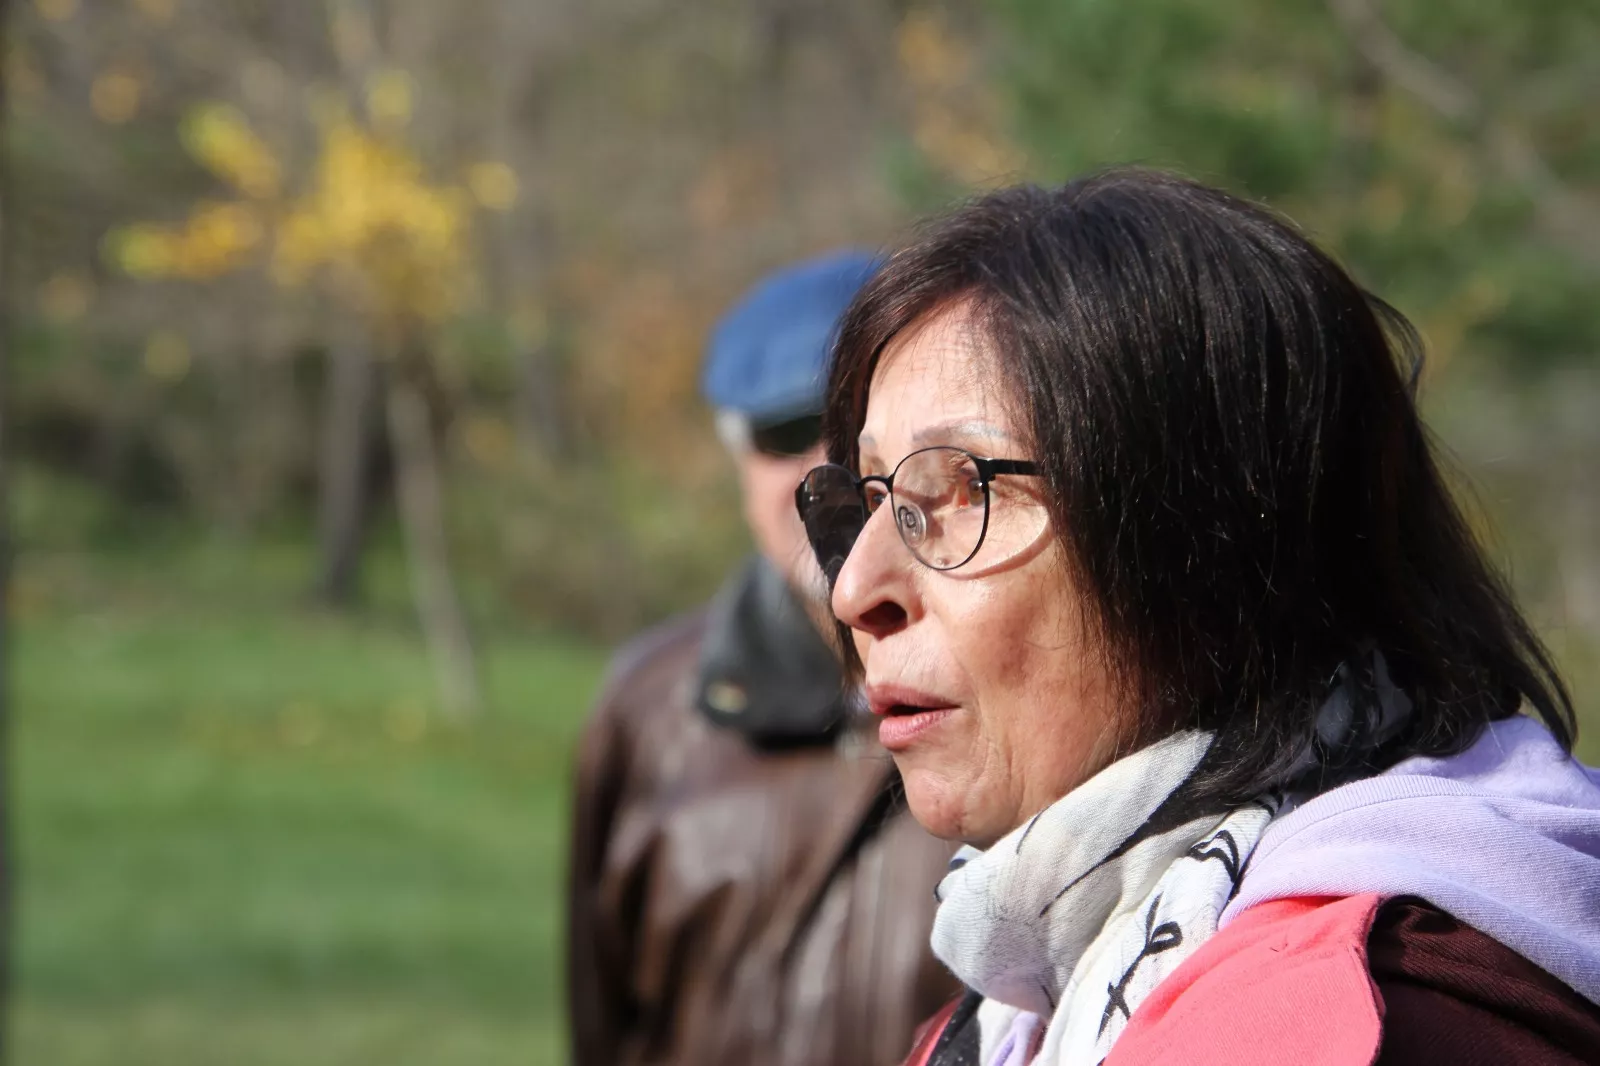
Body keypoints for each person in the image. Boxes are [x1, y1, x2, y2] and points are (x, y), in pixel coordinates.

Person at [794, 170, 1600, 1066]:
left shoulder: (1349, 1021)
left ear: (1209, 546)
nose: (855, 588)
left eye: (958, 488)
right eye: (869, 497)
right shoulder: (1021, 1016)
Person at [566, 250, 957, 1066]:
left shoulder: (1026, 697)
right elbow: (603, 1019)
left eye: (851, 427)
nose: (821, 468)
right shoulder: (653, 707)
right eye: (781, 435)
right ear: (735, 459)